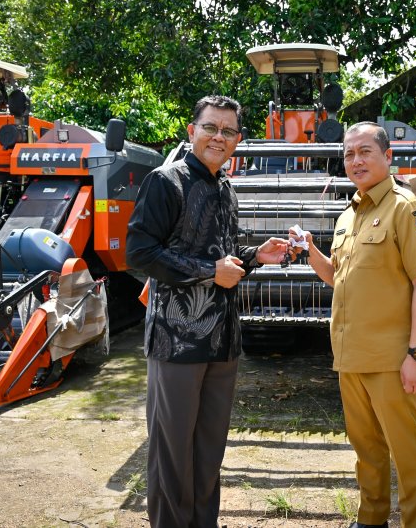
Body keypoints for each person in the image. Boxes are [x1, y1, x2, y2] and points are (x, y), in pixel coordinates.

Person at [126, 95, 289, 527]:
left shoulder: (225, 188)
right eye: (211, 127)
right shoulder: (166, 182)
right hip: (176, 342)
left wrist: (254, 256)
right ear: (192, 130)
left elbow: (221, 256)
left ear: (238, 140)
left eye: (228, 131)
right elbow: (139, 253)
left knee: (209, 451)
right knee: (173, 453)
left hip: (223, 341)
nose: (219, 137)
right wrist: (208, 272)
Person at [290, 121, 416, 528]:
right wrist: (310, 250)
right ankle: (371, 519)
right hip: (350, 356)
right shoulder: (348, 216)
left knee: (406, 454)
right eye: (349, 154)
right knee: (366, 450)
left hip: (391, 358)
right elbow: (338, 276)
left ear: (387, 156)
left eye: (364, 151)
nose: (355, 161)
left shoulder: (406, 209)